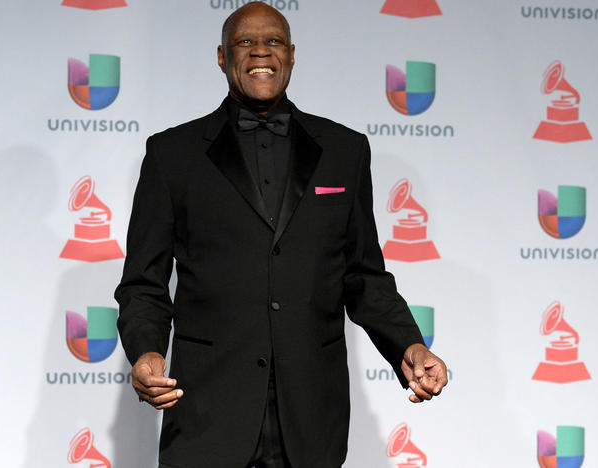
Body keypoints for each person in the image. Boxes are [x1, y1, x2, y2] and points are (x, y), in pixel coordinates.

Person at [115, 3, 448, 468]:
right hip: (209, 413)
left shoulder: (344, 150)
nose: (260, 52)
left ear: (291, 55)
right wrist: (146, 350)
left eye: (272, 41)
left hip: (311, 414)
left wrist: (408, 346)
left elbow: (363, 276)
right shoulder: (172, 154)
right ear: (221, 56)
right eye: (245, 42)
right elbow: (144, 284)